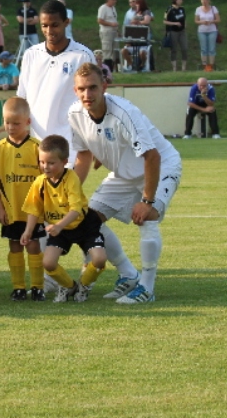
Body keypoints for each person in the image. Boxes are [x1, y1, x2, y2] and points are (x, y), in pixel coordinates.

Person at [69, 62, 182, 304]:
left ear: (104, 86)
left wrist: (146, 201)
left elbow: (152, 156)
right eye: (82, 89)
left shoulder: (124, 113)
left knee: (147, 217)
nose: (87, 94)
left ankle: (147, 288)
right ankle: (129, 274)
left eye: (92, 87)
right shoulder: (74, 114)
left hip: (161, 166)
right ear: (74, 91)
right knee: (87, 221)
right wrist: (69, 195)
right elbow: (83, 155)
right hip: (124, 174)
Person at [22, 135, 107, 303]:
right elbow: (33, 209)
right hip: (60, 228)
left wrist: (59, 225)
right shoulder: (39, 183)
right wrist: (28, 231)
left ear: (65, 161)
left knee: (99, 259)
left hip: (83, 225)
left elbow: (76, 209)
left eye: (51, 163)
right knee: (48, 263)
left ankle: (84, 285)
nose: (45, 167)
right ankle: (69, 286)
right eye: (42, 162)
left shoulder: (71, 178)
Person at [17, 0, 95, 164]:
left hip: (70, 142)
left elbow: (93, 99)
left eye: (55, 25)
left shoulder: (82, 56)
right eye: (44, 25)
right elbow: (22, 97)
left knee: (66, 182)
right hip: (37, 141)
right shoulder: (31, 54)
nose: (49, 30)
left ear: (66, 22)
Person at [0, 97, 45, 301]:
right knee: (14, 245)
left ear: (27, 122)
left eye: (16, 123)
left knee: (33, 245)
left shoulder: (37, 147)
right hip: (11, 208)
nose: (11, 127)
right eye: (7, 122)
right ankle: (19, 287)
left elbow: (45, 180)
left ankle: (37, 287)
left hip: (33, 210)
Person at [120, 0, 154, 72]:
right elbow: (131, 22)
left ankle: (143, 64)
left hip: (143, 39)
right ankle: (131, 65)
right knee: (123, 51)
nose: (136, 6)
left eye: (137, 5)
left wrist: (138, 22)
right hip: (134, 39)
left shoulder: (146, 12)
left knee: (142, 52)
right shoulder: (135, 13)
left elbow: (147, 21)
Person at [194, 0, 220, 72]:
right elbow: (196, 21)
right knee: (203, 49)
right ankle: (204, 66)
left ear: (208, 1)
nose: (204, 2)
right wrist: (202, 22)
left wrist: (211, 21)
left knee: (211, 49)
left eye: (205, 0)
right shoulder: (198, 9)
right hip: (202, 31)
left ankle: (211, 66)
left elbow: (218, 19)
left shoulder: (213, 8)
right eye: (202, 0)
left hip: (212, 30)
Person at [163, 0, 188, 72]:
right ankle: (174, 67)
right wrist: (175, 23)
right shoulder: (169, 9)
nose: (181, 1)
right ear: (175, 0)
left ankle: (184, 67)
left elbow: (184, 18)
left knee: (184, 48)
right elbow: (165, 21)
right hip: (173, 31)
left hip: (182, 31)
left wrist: (185, 24)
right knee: (173, 49)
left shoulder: (182, 9)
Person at [97, 0, 119, 68]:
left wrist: (117, 30)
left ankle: (114, 66)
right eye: (113, 0)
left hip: (114, 32)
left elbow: (114, 19)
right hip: (106, 32)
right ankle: (107, 66)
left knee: (115, 50)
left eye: (115, 0)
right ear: (108, 0)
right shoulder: (103, 8)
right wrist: (111, 24)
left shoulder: (113, 8)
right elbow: (100, 20)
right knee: (107, 50)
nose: (114, 2)